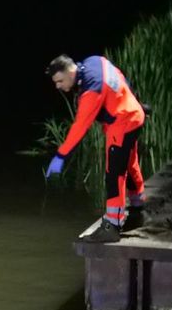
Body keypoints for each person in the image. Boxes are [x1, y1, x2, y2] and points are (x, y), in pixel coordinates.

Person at [45, 54, 146, 243]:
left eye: (60, 81)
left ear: (70, 72)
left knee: (114, 174)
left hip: (122, 123)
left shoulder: (91, 90)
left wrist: (61, 155)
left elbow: (80, 127)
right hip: (133, 114)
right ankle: (138, 206)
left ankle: (112, 226)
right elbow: (120, 77)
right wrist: (135, 102)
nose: (58, 86)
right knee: (130, 164)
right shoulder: (95, 61)